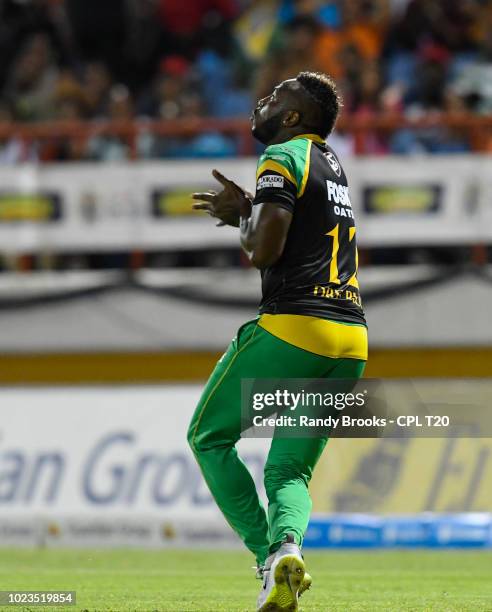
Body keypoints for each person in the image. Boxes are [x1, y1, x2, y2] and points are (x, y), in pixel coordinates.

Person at [189, 71, 368, 612]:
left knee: (208, 437)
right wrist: (250, 209)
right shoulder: (333, 167)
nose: (264, 99)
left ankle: (267, 559)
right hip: (351, 342)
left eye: (277, 96)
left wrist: (241, 215)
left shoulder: (283, 156)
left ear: (292, 119)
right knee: (288, 470)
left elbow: (264, 249)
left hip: (295, 327)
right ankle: (288, 549)